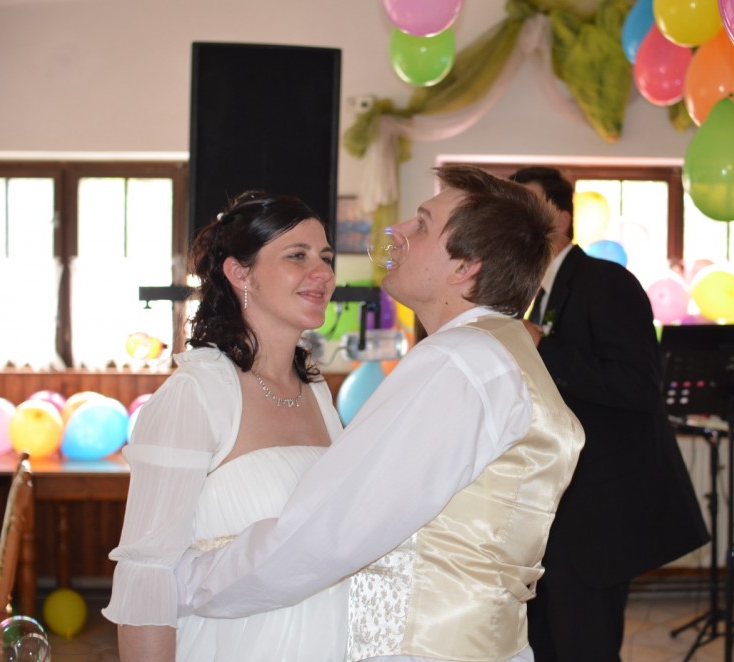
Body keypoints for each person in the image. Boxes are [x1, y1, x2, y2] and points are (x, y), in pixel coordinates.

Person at [176, 164, 586, 662]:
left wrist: (187, 582)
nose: (400, 232)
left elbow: (330, 529)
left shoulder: (456, 361)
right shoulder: (505, 351)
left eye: (422, 224)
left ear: (465, 267)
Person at [102, 191, 348, 661]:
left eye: (326, 257)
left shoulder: (316, 391)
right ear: (240, 273)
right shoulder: (197, 392)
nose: (323, 273)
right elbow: (147, 573)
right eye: (297, 256)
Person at [508, 166, 709, 661]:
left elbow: (639, 386)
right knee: (545, 644)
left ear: (561, 218)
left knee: (586, 647)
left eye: (525, 207)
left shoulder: (606, 281)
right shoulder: (534, 291)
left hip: (598, 511)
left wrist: (545, 348)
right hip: (555, 507)